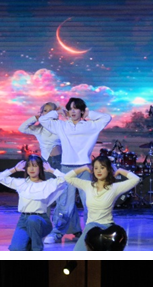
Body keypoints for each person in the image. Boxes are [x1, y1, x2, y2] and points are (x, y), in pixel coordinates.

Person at [39, 99, 113, 242]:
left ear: (81, 111)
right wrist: (58, 112)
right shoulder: (62, 125)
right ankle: (57, 232)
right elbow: (43, 120)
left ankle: (91, 232)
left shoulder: (90, 126)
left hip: (84, 168)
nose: (72, 111)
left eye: (76, 108)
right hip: (67, 168)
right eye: (70, 108)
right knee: (64, 203)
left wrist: (88, 114)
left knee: (89, 203)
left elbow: (106, 118)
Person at [64, 158, 141, 251]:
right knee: (89, 231)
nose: (98, 171)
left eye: (102, 167)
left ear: (108, 169)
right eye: (96, 168)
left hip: (107, 227)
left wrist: (120, 170)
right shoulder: (88, 185)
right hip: (91, 227)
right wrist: (84, 168)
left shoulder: (114, 187)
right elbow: (67, 177)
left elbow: (136, 179)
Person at [0, 156, 66, 250]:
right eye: (29, 166)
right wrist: (14, 169)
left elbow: (65, 179)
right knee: (16, 248)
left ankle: (37, 248)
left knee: (33, 219)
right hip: (23, 220)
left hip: (41, 220)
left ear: (40, 168)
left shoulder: (47, 184)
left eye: (35, 166)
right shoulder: (21, 183)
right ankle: (28, 244)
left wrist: (51, 170)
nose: (31, 169)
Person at [18, 102, 61, 168]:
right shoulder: (38, 129)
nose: (48, 113)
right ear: (42, 113)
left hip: (60, 159)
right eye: (45, 111)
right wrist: (36, 118)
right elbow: (21, 128)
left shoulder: (61, 126)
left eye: (51, 111)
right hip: (46, 161)